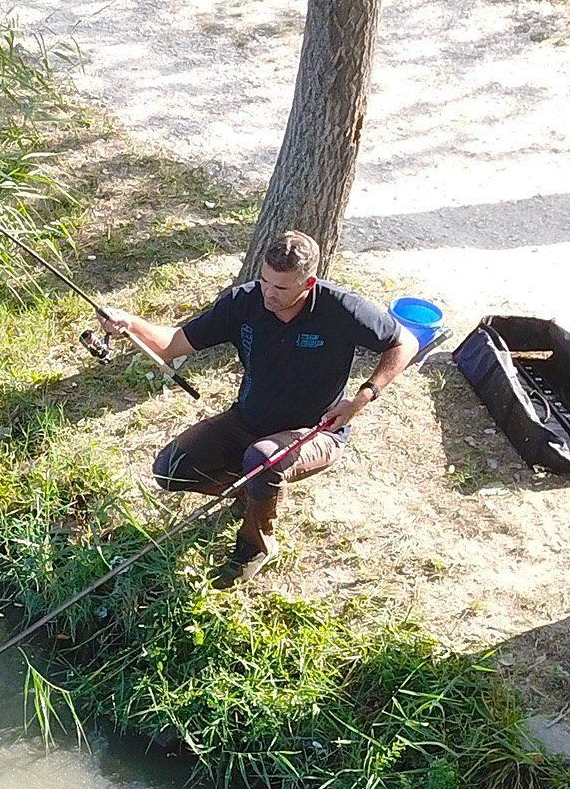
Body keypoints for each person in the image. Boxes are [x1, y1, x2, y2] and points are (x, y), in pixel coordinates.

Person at [100, 229, 419, 588]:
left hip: (317, 431)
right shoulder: (244, 302)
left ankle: (255, 545)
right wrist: (130, 322)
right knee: (170, 470)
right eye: (265, 280)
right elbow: (173, 344)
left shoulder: (341, 308)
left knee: (261, 458)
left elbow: (404, 341)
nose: (269, 293)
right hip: (247, 418)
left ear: (308, 283)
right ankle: (253, 494)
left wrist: (365, 394)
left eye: (281, 288)